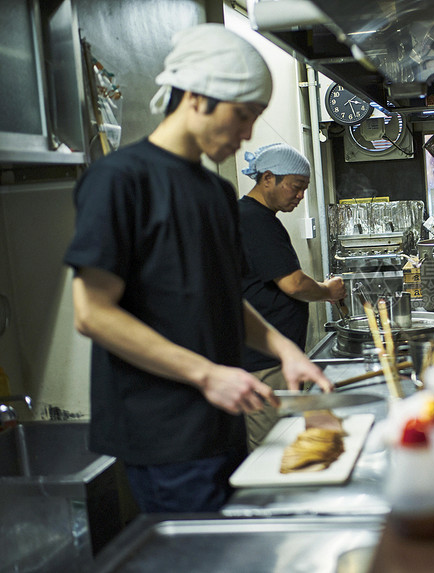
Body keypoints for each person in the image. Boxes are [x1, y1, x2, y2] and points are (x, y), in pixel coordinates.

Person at [64, 24, 332, 514]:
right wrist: (207, 374)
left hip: (223, 418)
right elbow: (92, 313)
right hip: (163, 430)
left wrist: (284, 349)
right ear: (197, 96)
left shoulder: (214, 192)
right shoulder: (120, 179)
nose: (248, 134)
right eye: (242, 115)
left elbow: (222, 298)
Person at [238, 143, 346, 449]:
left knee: (290, 440)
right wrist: (327, 291)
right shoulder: (253, 219)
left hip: (272, 360)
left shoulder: (258, 218)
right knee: (273, 448)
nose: (300, 196)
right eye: (296, 187)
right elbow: (294, 284)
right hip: (264, 363)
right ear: (268, 178)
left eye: (304, 189)